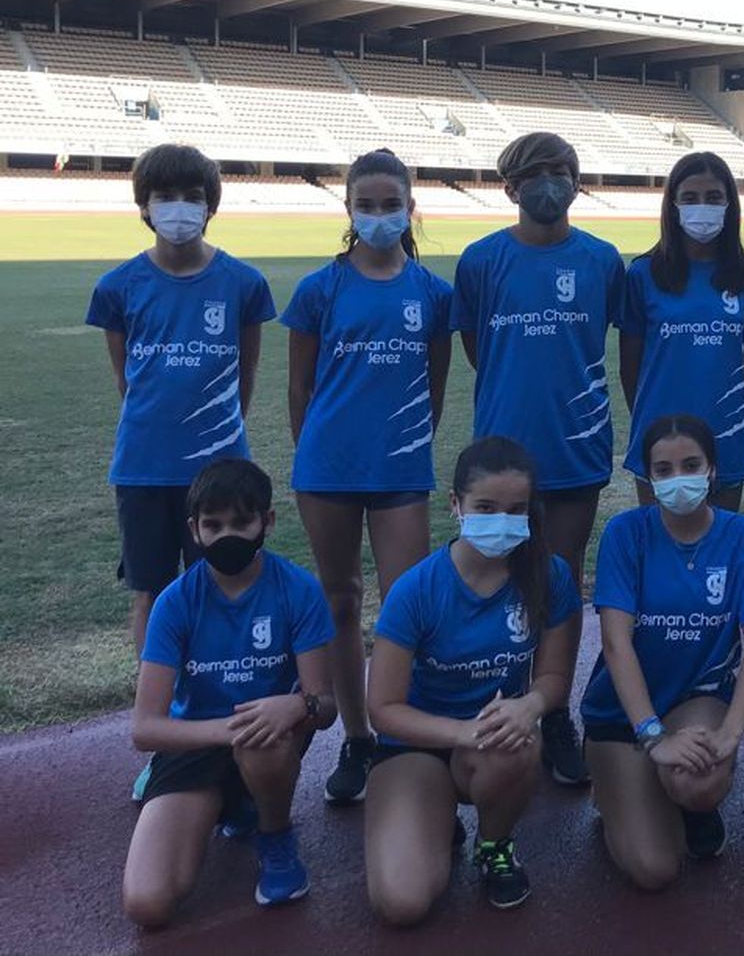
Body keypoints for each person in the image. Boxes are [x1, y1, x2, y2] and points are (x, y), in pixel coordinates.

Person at [85, 144, 276, 802]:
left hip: (220, 471)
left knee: (223, 595)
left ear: (211, 204)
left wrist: (220, 444)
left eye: (193, 195)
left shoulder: (245, 283)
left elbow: (245, 374)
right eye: (166, 196)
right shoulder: (116, 288)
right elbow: (126, 380)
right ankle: (167, 738)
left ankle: (226, 729)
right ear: (144, 206)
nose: (179, 209)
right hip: (142, 468)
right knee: (153, 596)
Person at [452, 131, 625, 787]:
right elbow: (475, 344)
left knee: (559, 584)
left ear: (578, 181)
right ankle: (494, 706)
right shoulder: (481, 260)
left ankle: (552, 714)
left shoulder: (604, 261)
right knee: (494, 581)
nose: (551, 181)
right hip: (501, 455)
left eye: (563, 169)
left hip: (576, 447)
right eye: (537, 172)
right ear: (511, 186)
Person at [283, 149, 452, 805]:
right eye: (367, 204)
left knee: (406, 605)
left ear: (411, 209)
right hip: (326, 467)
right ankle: (357, 737)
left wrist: (404, 440)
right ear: (349, 209)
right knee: (341, 600)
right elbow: (299, 384)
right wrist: (318, 452)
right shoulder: (319, 289)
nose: (379, 216)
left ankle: (403, 734)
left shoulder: (433, 294)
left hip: (402, 467)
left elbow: (434, 386)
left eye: (391, 204)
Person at [363, 437, 582, 923]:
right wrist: (462, 732)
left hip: (493, 742)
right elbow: (382, 708)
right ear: (455, 505)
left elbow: (553, 677)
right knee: (402, 904)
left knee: (520, 742)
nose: (501, 520)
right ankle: (433, 816)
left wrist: (531, 706)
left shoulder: (549, 575)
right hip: (416, 745)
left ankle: (494, 843)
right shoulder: (416, 589)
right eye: (485, 506)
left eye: (515, 509)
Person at [121, 459, 336, 928]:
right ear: (194, 530)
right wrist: (231, 730)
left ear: (268, 521)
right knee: (147, 904)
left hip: (270, 739)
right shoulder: (175, 602)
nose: (227, 536)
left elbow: (326, 706)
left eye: (242, 522)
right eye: (213, 525)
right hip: (201, 743)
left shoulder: (298, 589)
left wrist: (299, 703)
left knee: (264, 742)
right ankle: (234, 801)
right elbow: (144, 729)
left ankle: (275, 836)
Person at [581, 414, 744, 890]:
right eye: (663, 470)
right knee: (655, 870)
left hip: (696, 701)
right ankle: (619, 786)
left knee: (699, 784)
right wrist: (652, 734)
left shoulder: (742, 536)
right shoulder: (626, 533)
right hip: (623, 716)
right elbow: (615, 642)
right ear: (648, 476)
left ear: (712, 470)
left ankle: (689, 801)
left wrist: (732, 733)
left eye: (691, 465)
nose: (678, 479)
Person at [620, 153, 744, 512]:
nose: (702, 207)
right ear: (672, 205)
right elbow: (630, 369)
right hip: (658, 435)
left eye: (714, 197)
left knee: (719, 548)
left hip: (726, 433)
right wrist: (655, 421)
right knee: (659, 549)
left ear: (730, 204)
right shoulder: (643, 275)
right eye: (689, 198)